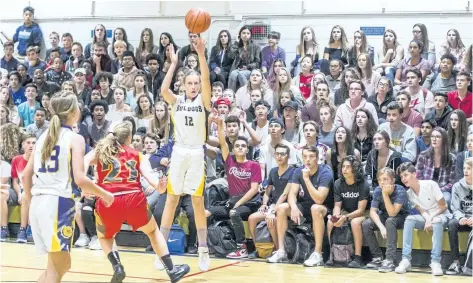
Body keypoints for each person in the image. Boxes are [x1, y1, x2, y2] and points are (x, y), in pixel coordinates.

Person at [21, 92, 114, 283]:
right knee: (57, 268)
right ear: (73, 112)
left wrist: (32, 202)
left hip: (40, 203)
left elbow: (25, 175)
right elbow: (80, 178)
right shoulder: (75, 138)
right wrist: (105, 195)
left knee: (60, 265)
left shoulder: (42, 137)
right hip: (57, 205)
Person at [85, 122, 189, 282]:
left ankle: (117, 266)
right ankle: (172, 270)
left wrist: (86, 184)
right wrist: (161, 187)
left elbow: (81, 162)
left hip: (108, 199)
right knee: (153, 232)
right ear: (129, 138)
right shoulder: (137, 154)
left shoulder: (101, 151)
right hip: (133, 198)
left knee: (105, 236)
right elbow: (156, 185)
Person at [159, 39, 212, 271]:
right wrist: (173, 63)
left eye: (196, 82)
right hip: (179, 152)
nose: (193, 86)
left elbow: (207, 81)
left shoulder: (203, 100)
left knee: (197, 201)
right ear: (183, 85)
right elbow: (162, 90)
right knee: (171, 199)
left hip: (196, 154)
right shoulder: (177, 101)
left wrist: (201, 55)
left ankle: (203, 248)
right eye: (189, 83)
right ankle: (161, 250)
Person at [267, 145, 333, 265]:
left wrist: (306, 179)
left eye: (311, 156)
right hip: (305, 206)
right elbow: (291, 194)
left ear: (317, 158)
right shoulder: (298, 171)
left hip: (324, 208)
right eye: (305, 156)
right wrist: (294, 207)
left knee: (315, 208)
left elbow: (319, 199)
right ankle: (281, 251)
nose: (308, 159)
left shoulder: (326, 172)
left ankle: (318, 254)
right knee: (282, 208)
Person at [396, 162, 450, 276]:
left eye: (406, 175)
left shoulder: (431, 184)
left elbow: (443, 206)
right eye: (401, 176)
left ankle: (435, 262)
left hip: (441, 215)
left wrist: (430, 218)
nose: (403, 178)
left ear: (414, 174)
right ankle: (406, 260)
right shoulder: (408, 193)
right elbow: (421, 211)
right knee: (409, 219)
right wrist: (428, 219)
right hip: (427, 217)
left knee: (437, 221)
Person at [247, 143, 296, 258]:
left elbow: (285, 194)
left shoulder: (294, 171)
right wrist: (264, 204)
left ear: (288, 156)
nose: (279, 156)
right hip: (272, 205)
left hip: (285, 206)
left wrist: (273, 211)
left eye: (282, 154)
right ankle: (258, 248)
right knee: (252, 218)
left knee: (272, 220)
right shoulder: (273, 171)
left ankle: (279, 250)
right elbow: (268, 191)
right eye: (277, 154)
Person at [362, 167, 408, 273]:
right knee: (366, 224)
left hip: (401, 217)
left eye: (385, 179)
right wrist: (381, 227)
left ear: (393, 180)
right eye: (379, 180)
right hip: (385, 216)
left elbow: (393, 213)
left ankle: (389, 259)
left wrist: (385, 194)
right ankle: (377, 257)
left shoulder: (400, 190)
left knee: (390, 221)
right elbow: (372, 211)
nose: (382, 182)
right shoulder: (378, 190)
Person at [326, 156, 369, 268]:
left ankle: (358, 257)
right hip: (346, 212)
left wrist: (345, 217)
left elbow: (361, 210)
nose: (344, 169)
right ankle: (331, 254)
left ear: (355, 169)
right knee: (330, 222)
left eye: (348, 167)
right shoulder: (338, 183)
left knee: (355, 222)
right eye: (343, 166)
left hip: (365, 213)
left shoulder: (363, 184)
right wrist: (336, 217)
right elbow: (337, 205)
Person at [447, 157, 473, 275]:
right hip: (463, 218)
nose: (466, 171)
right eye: (464, 168)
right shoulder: (457, 186)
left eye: (469, 168)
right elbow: (455, 207)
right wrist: (461, 217)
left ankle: (469, 265)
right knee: (452, 224)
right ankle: (455, 262)